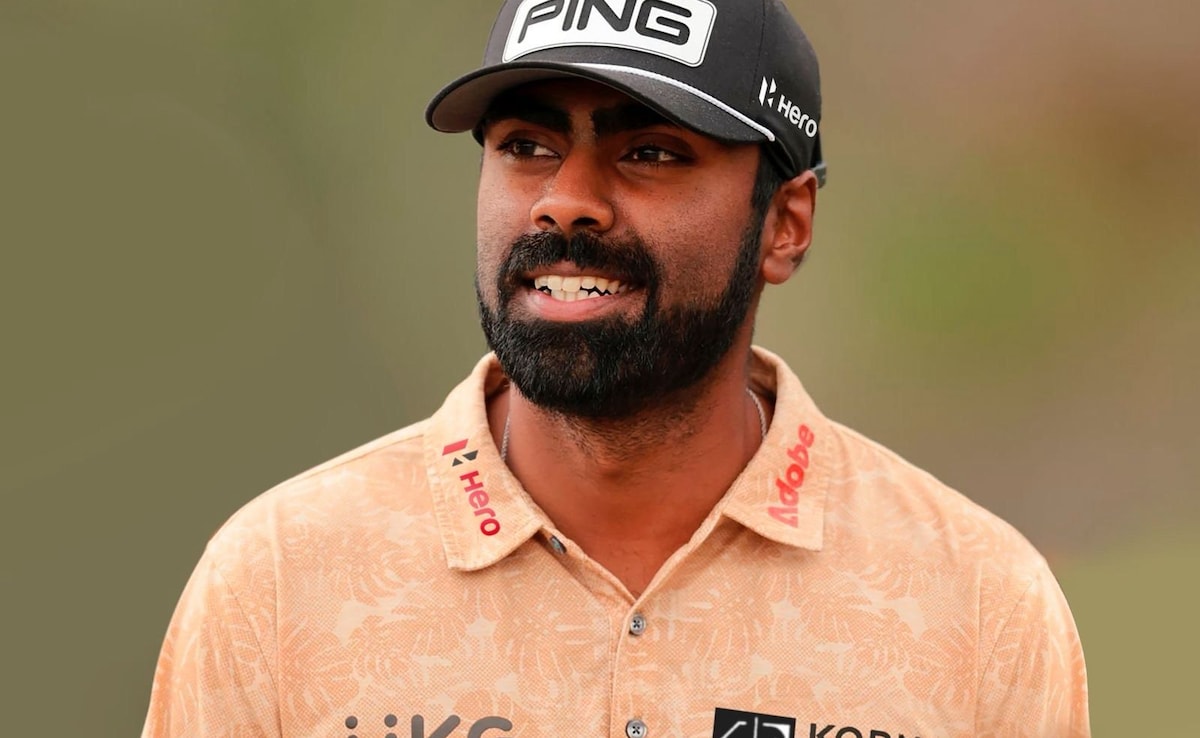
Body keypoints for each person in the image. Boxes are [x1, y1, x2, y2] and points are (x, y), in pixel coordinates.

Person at [142, 1, 1090, 736]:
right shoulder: (279, 579)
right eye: (527, 147)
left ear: (785, 224)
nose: (566, 201)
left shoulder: (977, 603)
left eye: (650, 152)